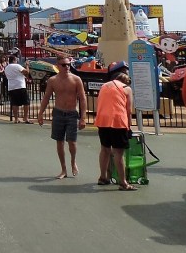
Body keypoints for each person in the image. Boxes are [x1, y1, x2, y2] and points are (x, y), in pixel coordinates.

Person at [37, 58, 87, 178]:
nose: (67, 67)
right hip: (58, 113)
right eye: (64, 65)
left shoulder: (76, 79)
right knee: (59, 142)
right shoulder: (53, 80)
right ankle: (63, 169)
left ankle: (73, 162)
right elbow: (46, 97)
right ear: (58, 66)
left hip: (71, 114)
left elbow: (82, 98)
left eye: (69, 65)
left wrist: (83, 118)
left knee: (72, 142)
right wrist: (40, 113)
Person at [94, 62, 136, 191]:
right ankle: (123, 182)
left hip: (103, 120)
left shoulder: (104, 86)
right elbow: (128, 110)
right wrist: (128, 127)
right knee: (118, 153)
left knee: (105, 149)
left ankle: (103, 177)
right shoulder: (126, 88)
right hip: (118, 121)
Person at [5, 56, 32, 123]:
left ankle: (16, 119)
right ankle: (25, 117)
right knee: (26, 102)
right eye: (16, 59)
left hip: (11, 87)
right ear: (14, 60)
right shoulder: (17, 66)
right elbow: (26, 72)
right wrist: (27, 66)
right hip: (20, 86)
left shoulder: (6, 68)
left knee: (15, 103)